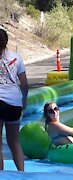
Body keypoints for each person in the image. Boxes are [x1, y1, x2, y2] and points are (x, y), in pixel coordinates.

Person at [0, 29, 29, 171]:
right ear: (6, 42)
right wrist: (24, 101)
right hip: (14, 103)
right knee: (14, 142)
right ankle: (22, 174)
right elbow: (24, 84)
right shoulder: (16, 57)